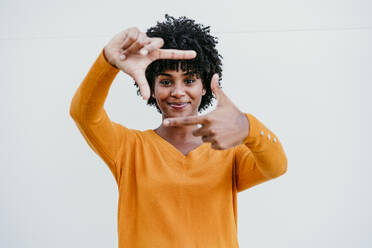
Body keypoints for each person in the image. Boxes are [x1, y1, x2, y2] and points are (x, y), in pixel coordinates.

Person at [70, 14, 287, 248]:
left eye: (189, 80)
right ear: (151, 87)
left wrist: (248, 127)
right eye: (166, 82)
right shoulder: (129, 149)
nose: (178, 91)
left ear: (205, 86)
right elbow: (84, 115)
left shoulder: (228, 152)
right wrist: (107, 63)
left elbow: (276, 166)